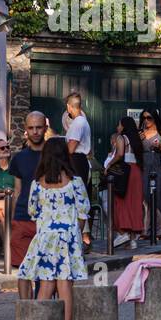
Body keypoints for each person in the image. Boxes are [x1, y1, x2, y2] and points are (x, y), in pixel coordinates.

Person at [17, 137, 89, 320]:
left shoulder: (37, 184)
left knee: (46, 284)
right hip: (68, 236)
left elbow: (33, 212)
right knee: (65, 285)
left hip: (46, 236)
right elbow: (83, 211)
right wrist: (75, 229)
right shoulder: (75, 182)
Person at [9, 112, 48, 299]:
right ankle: (25, 311)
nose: (35, 131)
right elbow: (17, 190)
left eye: (39, 127)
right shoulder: (18, 158)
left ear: (45, 128)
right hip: (23, 217)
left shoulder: (53, 156)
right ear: (26, 130)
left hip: (47, 219)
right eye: (31, 128)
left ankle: (42, 311)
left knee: (45, 270)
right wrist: (12, 220)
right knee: (23, 269)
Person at [109, 117, 146, 249]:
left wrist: (109, 164)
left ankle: (123, 232)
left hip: (125, 172)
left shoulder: (121, 138)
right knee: (134, 203)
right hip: (136, 171)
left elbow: (119, 154)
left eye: (119, 124)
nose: (117, 127)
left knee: (121, 201)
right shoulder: (136, 140)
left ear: (124, 126)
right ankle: (132, 240)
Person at [63, 93, 94, 247]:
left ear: (69, 107)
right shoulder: (83, 121)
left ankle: (78, 240)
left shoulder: (78, 123)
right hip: (79, 161)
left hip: (76, 161)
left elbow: (71, 147)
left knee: (76, 201)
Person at [139, 109, 161, 239]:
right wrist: (138, 141)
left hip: (158, 166)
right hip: (145, 166)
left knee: (160, 196)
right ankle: (146, 229)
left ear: (155, 118)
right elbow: (135, 150)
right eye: (144, 118)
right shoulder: (141, 133)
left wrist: (160, 147)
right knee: (146, 198)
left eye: (149, 118)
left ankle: (160, 230)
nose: (146, 121)